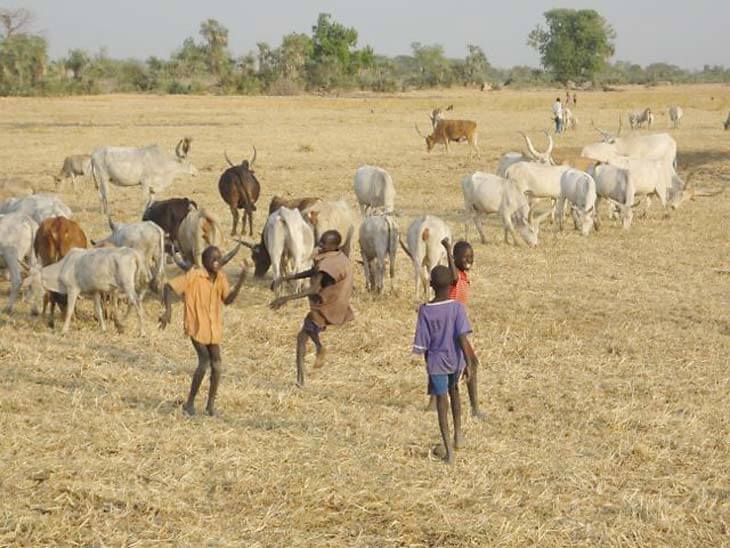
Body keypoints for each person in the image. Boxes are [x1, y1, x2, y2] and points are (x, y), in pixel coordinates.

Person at [159, 245, 247, 417]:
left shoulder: (221, 278)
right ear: (205, 262)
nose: (216, 262)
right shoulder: (194, 275)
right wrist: (167, 312)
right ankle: (190, 403)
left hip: (213, 328)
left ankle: (210, 406)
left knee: (218, 365)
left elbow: (227, 300)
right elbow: (168, 288)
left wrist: (241, 281)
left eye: (218, 259)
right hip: (196, 324)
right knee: (204, 360)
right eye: (212, 259)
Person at [269, 230, 354, 387]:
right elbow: (313, 272)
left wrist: (285, 298)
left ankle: (313, 358)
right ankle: (306, 371)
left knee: (302, 337)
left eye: (323, 243)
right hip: (333, 304)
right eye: (320, 241)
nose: (319, 245)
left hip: (326, 306)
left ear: (333, 246)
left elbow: (313, 289)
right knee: (304, 334)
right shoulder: (337, 256)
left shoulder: (329, 264)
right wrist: (286, 277)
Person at [413, 265, 477, 464]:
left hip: (436, 363)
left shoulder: (425, 311)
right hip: (455, 360)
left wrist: (428, 367)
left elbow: (422, 343)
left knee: (442, 402)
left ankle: (449, 451)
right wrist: (469, 363)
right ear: (452, 285)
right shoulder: (457, 308)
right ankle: (458, 434)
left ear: (430, 285)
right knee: (455, 392)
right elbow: (462, 338)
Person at [443, 238, 485, 420]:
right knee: (470, 363)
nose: (469, 259)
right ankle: (474, 409)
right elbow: (452, 276)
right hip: (452, 329)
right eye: (464, 257)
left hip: (457, 327)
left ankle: (473, 407)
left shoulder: (464, 277)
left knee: (462, 366)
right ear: (454, 259)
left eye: (471, 256)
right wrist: (448, 250)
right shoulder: (454, 276)